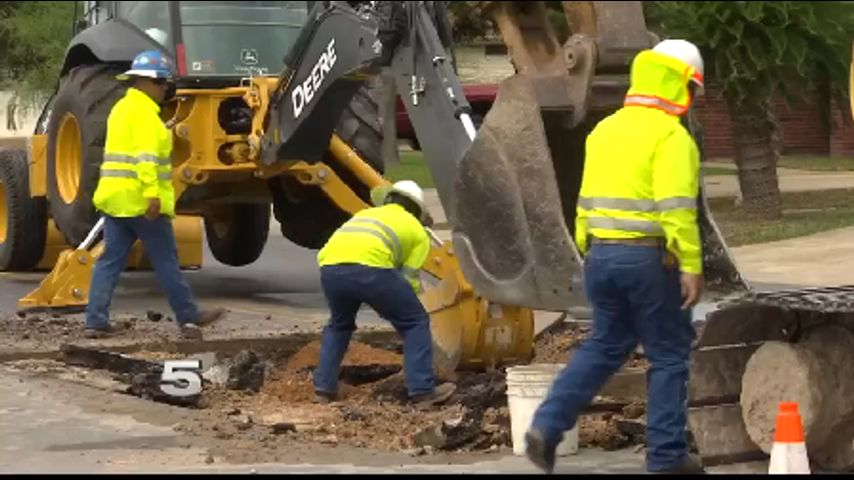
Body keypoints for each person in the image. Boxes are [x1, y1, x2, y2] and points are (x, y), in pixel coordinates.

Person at [524, 39, 707, 474]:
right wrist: (691, 265)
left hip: (600, 258)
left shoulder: (604, 130)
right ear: (682, 86)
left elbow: (584, 202)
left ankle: (547, 426)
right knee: (669, 355)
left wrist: (592, 251)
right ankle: (666, 458)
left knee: (606, 344)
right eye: (695, 90)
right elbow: (676, 208)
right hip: (649, 260)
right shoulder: (670, 136)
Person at [84, 50, 225, 340]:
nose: (166, 90)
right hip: (142, 202)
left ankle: (95, 321)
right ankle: (188, 318)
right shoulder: (147, 116)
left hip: (114, 200)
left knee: (110, 260)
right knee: (166, 262)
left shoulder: (122, 109)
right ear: (149, 82)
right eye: (163, 84)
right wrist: (152, 196)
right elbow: (146, 158)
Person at [314, 180, 456, 407]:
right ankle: (422, 391)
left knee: (339, 325)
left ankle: (323, 388)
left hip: (330, 268)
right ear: (416, 208)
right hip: (371, 269)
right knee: (415, 322)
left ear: (389, 199)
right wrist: (397, 306)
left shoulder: (366, 215)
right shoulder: (417, 230)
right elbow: (408, 279)